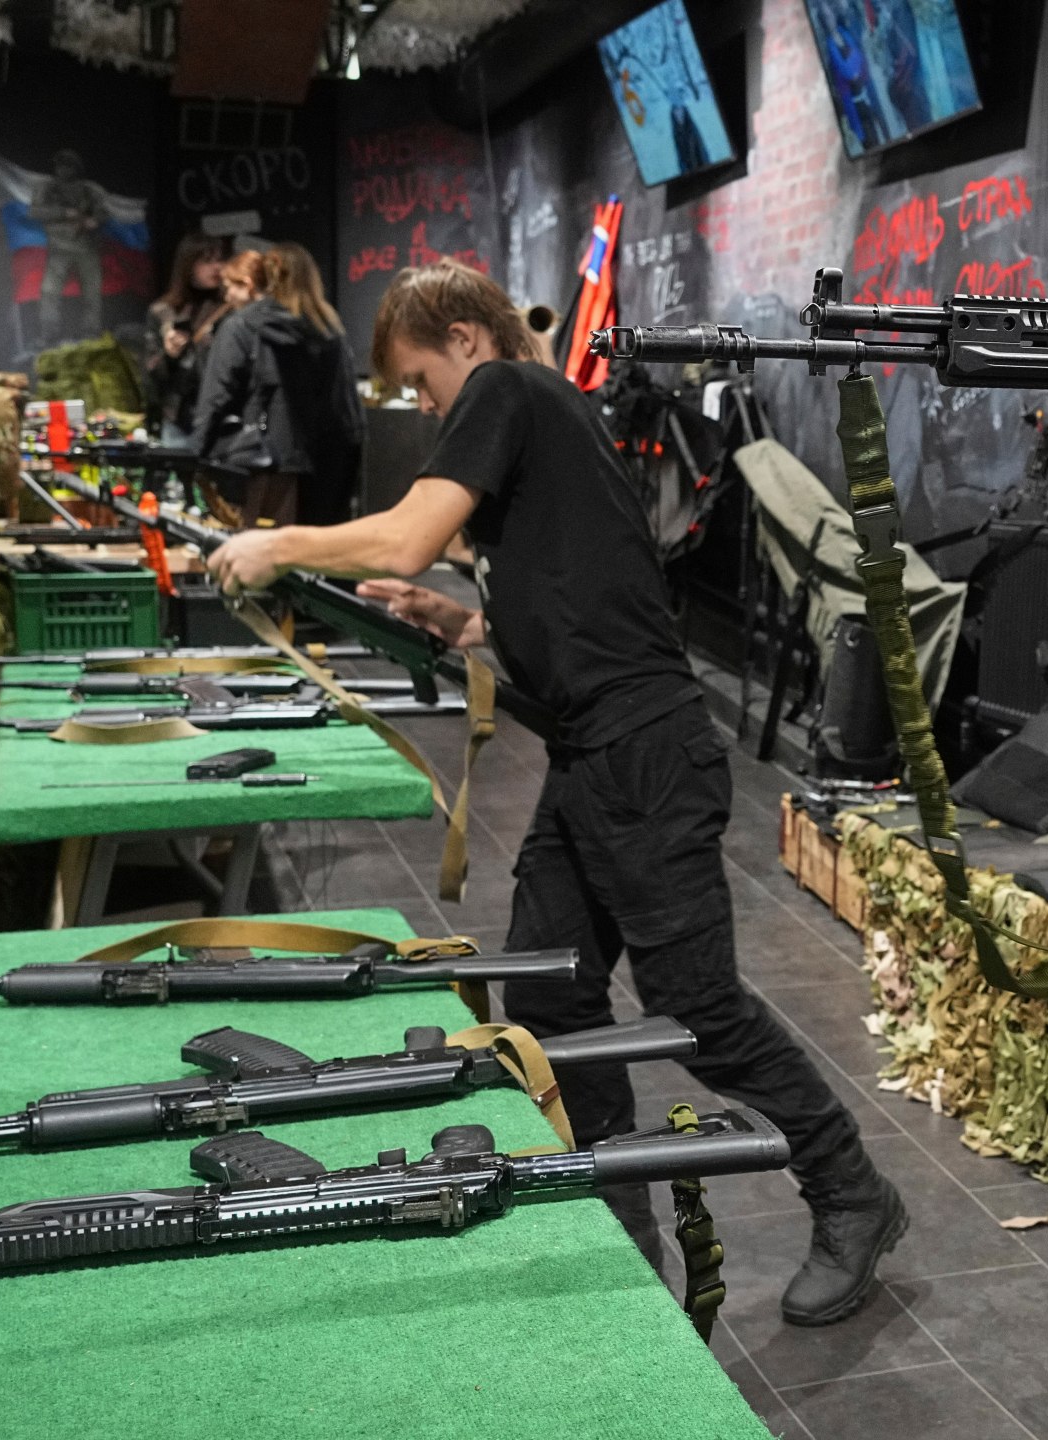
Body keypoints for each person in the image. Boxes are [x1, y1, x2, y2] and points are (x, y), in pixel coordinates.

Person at [200, 261, 908, 1327]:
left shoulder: (509, 390)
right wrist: (461, 625)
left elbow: (405, 535)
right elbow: (576, 603)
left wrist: (278, 543)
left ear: (462, 339)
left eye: (422, 382)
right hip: (597, 754)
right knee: (554, 998)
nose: (427, 408)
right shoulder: (550, 415)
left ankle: (851, 1190)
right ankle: (616, 1221)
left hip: (641, 758)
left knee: (698, 1011)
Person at [191, 248, 361, 531]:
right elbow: (348, 406)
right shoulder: (329, 328)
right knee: (313, 561)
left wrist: (196, 456)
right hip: (328, 464)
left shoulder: (243, 326)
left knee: (257, 555)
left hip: (263, 463)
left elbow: (216, 397)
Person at [144, 233, 229, 444]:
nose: (217, 267)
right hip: (179, 415)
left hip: (221, 415)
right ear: (189, 265)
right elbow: (152, 375)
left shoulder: (229, 308)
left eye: (220, 260)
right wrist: (169, 355)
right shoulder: (163, 311)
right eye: (207, 261)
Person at [30, 149, 108, 347]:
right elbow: (36, 211)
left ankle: (91, 333)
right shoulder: (47, 188)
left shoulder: (90, 190)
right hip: (59, 248)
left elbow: (103, 213)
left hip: (86, 247)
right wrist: (65, 213)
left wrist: (93, 221)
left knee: (92, 292)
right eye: (60, 166)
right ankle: (49, 334)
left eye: (68, 166)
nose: (63, 170)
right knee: (49, 292)